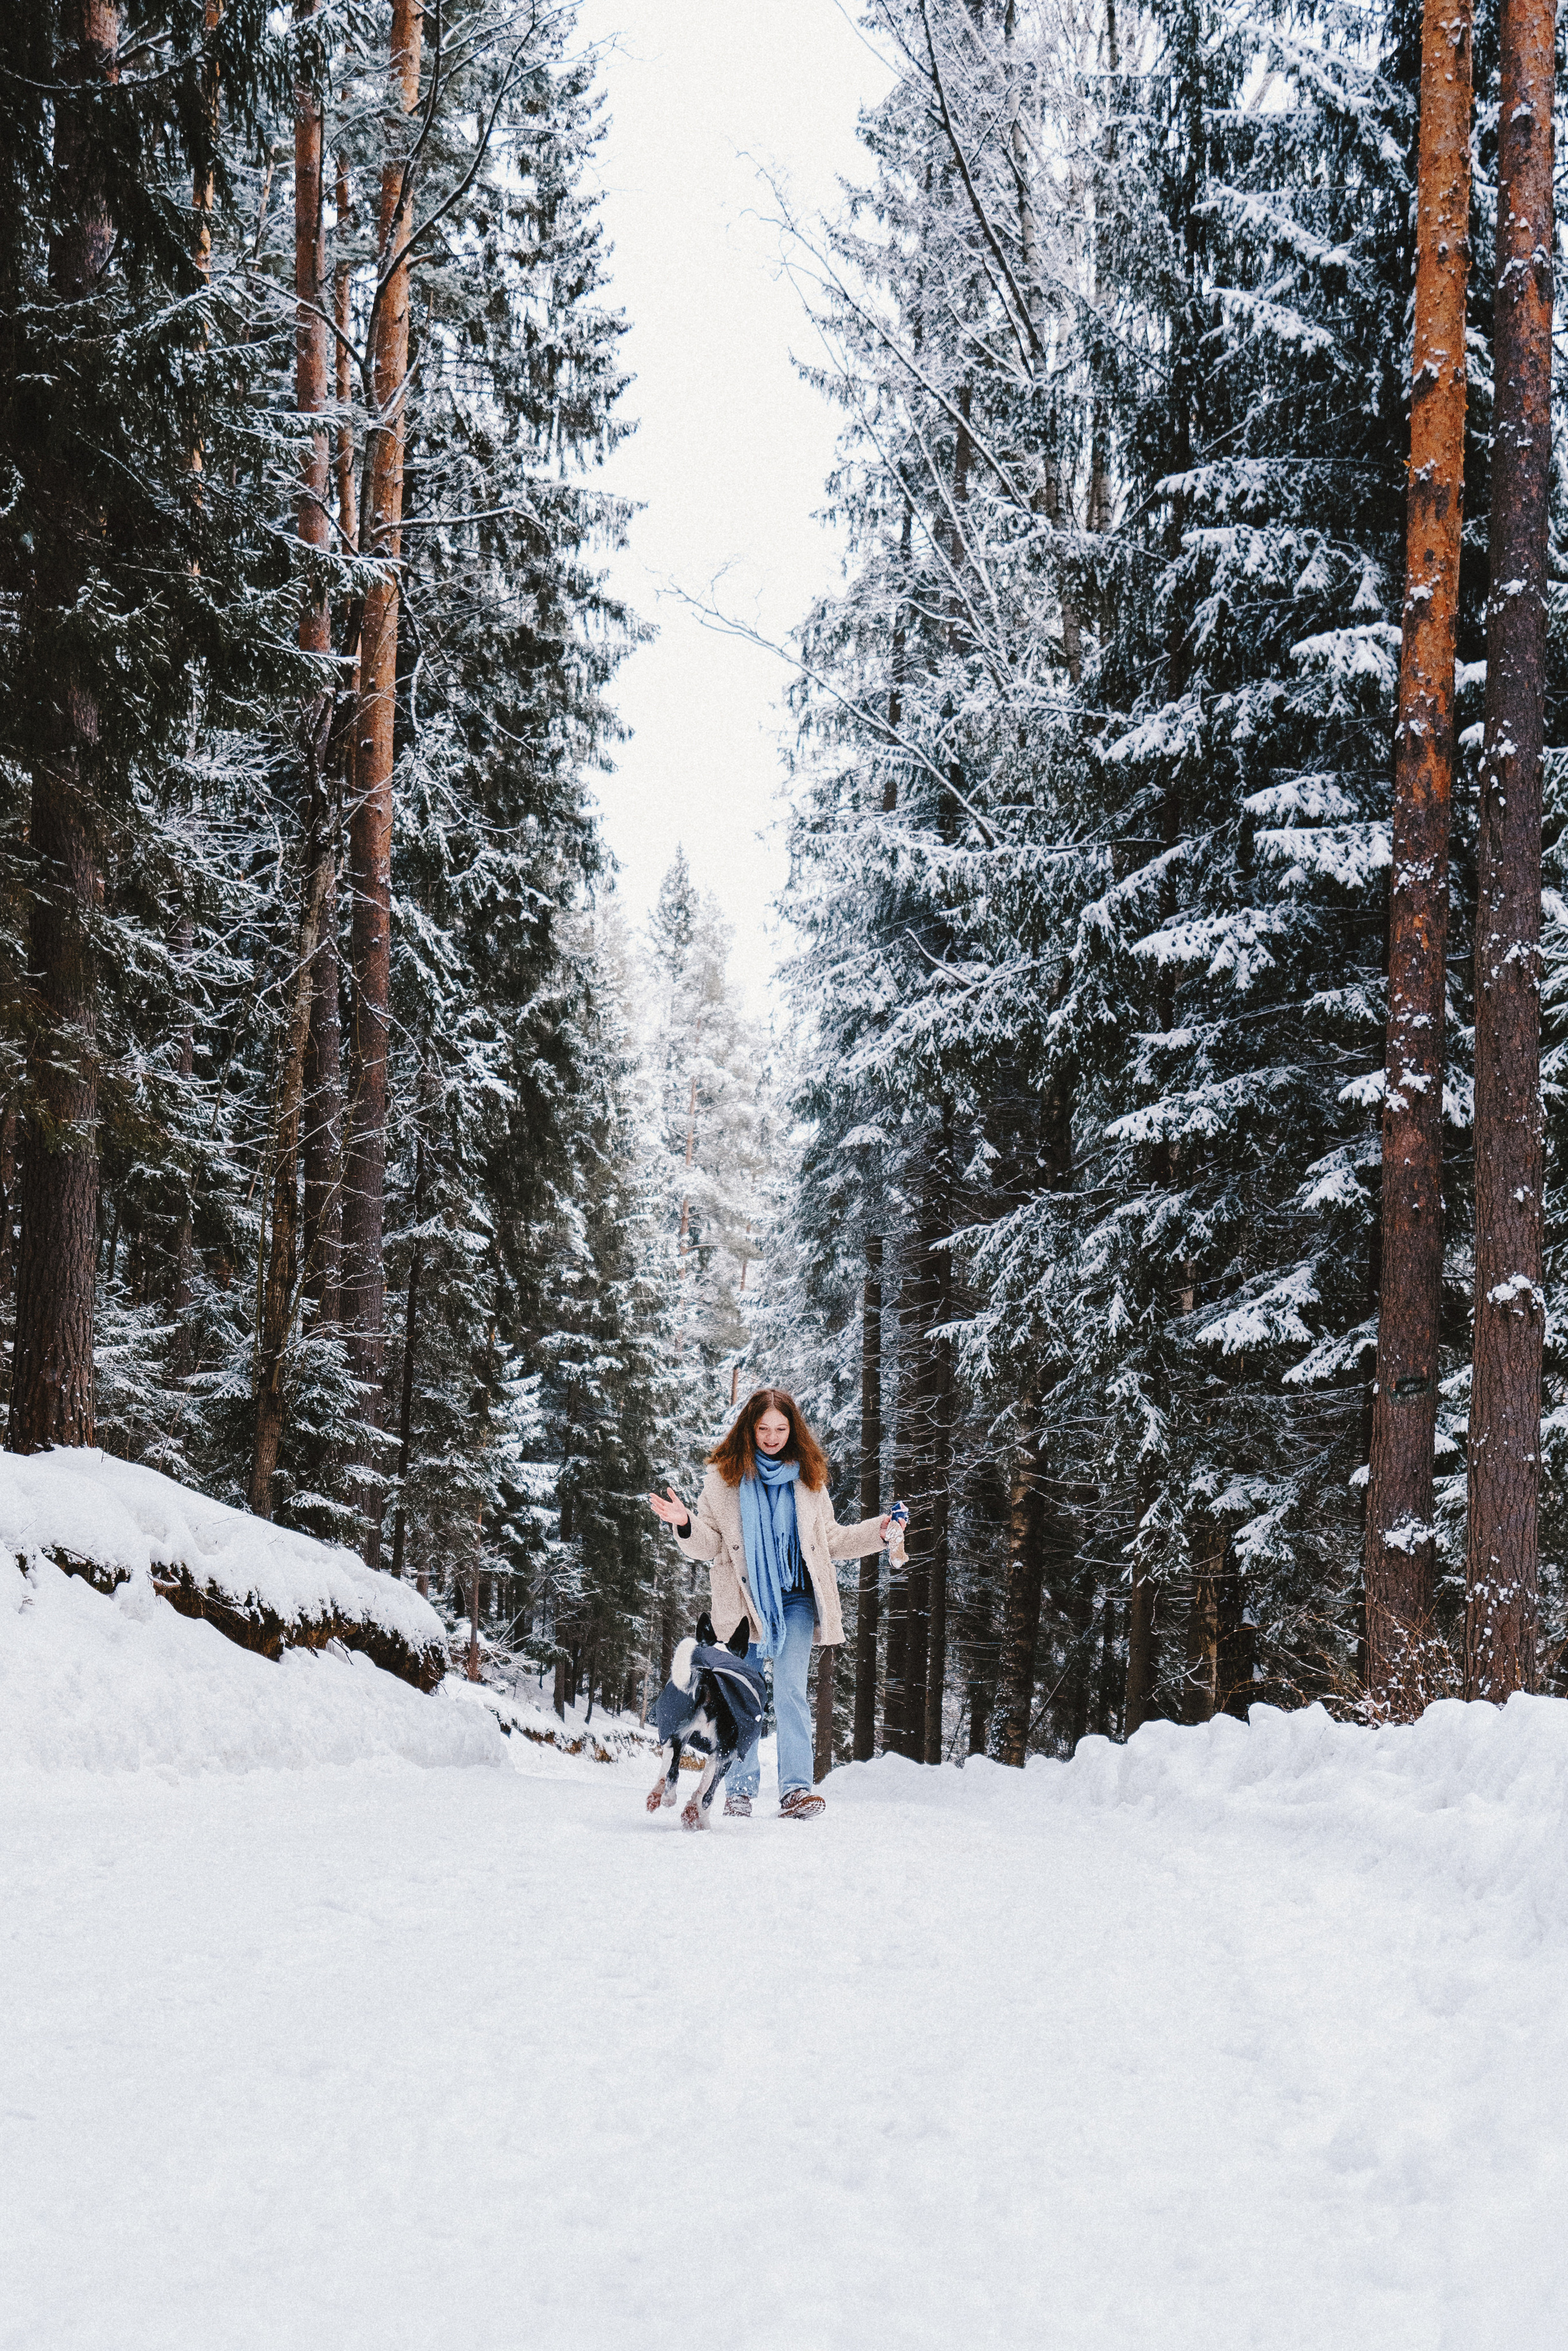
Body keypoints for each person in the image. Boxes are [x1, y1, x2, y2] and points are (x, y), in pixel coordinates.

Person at [648, 1387, 892, 1821]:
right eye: (764, 1428)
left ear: (792, 1430)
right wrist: (685, 1523)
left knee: (792, 1690)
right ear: (750, 1429)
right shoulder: (722, 1481)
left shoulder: (809, 1479)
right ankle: (738, 1790)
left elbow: (831, 1541)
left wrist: (881, 1530)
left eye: (781, 1428)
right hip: (744, 1604)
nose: (773, 1437)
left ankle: (795, 1790)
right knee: (744, 1693)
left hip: (796, 1599)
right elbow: (710, 1546)